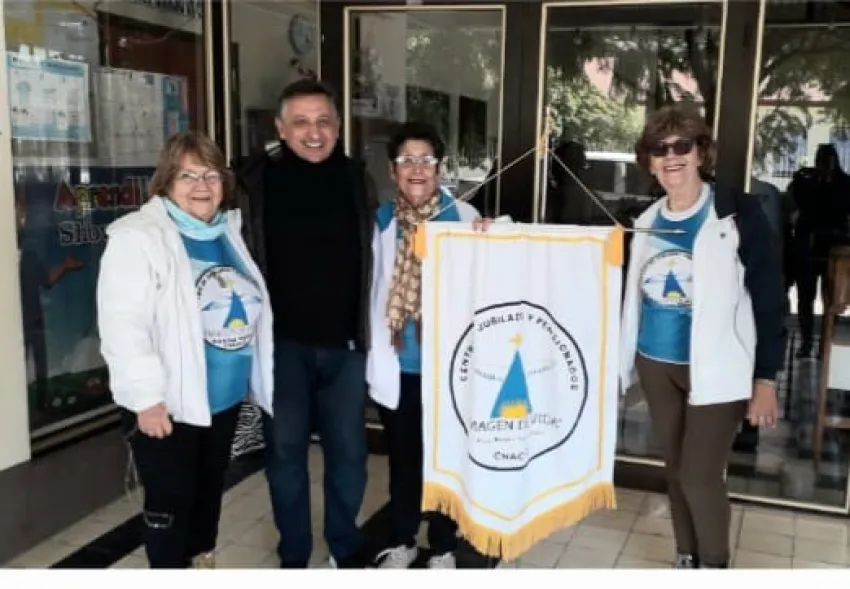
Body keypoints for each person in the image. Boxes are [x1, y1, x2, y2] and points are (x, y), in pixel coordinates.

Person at [97, 131, 274, 569]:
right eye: (188, 176)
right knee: (170, 506)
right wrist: (146, 399)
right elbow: (123, 324)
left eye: (211, 175)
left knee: (208, 496)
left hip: (222, 402)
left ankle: (201, 565)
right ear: (166, 182)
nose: (201, 186)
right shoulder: (139, 237)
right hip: (168, 405)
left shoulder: (227, 231)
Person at [619, 104, 786, 569]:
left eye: (682, 146)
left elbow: (770, 298)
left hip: (718, 367)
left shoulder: (735, 212)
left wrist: (766, 378)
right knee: (676, 472)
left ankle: (713, 566)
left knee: (699, 474)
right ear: (649, 161)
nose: (671, 156)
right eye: (660, 149)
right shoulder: (645, 219)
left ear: (700, 152)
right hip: (657, 365)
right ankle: (686, 558)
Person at [236, 78, 374, 569]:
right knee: (285, 458)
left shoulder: (358, 179)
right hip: (281, 348)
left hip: (346, 345)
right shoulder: (252, 183)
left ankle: (344, 545)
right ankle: (293, 553)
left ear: (337, 126)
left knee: (350, 456)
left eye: (323, 121)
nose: (314, 132)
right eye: (301, 122)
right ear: (280, 127)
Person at [367, 122, 484, 569]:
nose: (417, 168)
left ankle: (444, 546)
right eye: (407, 160)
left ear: (439, 168)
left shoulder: (466, 218)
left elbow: (497, 271)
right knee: (403, 459)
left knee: (446, 460)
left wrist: (495, 234)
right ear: (393, 170)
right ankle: (402, 540)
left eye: (426, 160)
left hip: (448, 366)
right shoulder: (381, 220)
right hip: (399, 364)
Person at [786, 144, 850, 358]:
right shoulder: (808, 180)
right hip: (811, 246)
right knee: (808, 298)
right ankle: (809, 342)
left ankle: (824, 341)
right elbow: (799, 201)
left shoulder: (843, 183)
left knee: (830, 299)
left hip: (830, 247)